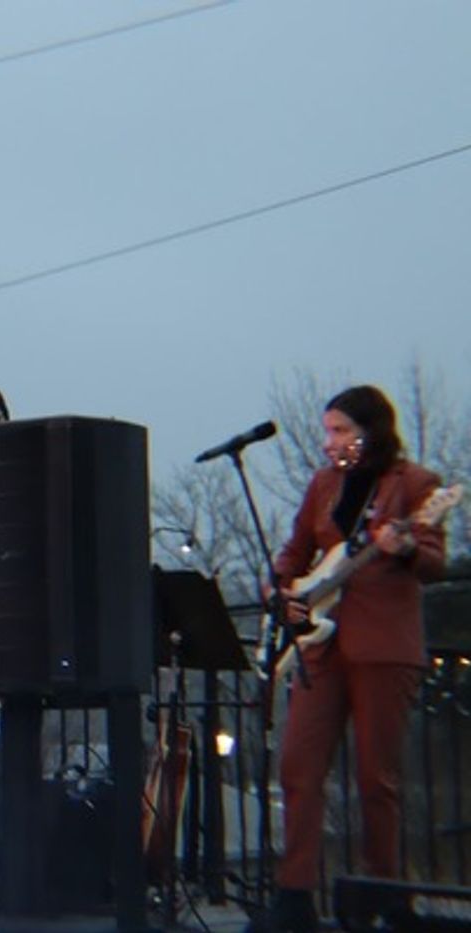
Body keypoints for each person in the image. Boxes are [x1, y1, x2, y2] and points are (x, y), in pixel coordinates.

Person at [261, 385, 446, 933]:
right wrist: (279, 588)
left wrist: (405, 546)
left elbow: (434, 562)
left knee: (376, 779)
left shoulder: (416, 485)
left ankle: (383, 894)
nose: (329, 442)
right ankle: (295, 895)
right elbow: (297, 550)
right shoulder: (324, 485)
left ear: (371, 431)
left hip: (383, 647)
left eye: (340, 430)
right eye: (328, 431)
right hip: (322, 645)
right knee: (298, 766)